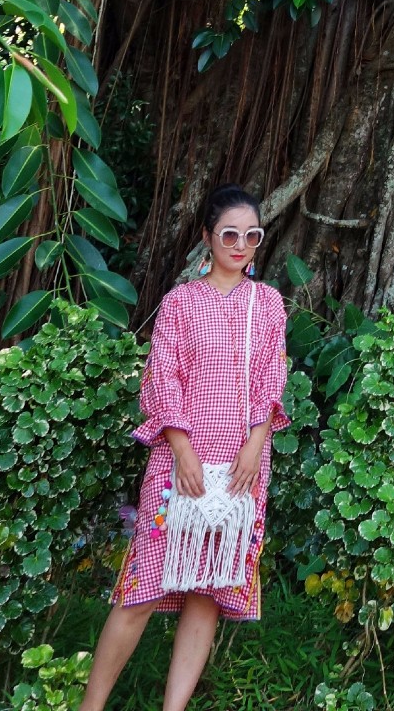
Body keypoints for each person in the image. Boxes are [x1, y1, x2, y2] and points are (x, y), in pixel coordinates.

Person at [79, 185, 289, 711]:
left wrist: (255, 445)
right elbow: (162, 380)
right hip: (181, 466)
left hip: (243, 467)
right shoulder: (179, 303)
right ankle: (90, 706)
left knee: (207, 592)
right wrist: (182, 449)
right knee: (141, 589)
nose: (241, 245)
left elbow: (270, 379)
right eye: (229, 234)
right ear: (207, 238)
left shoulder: (267, 304)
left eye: (252, 235)